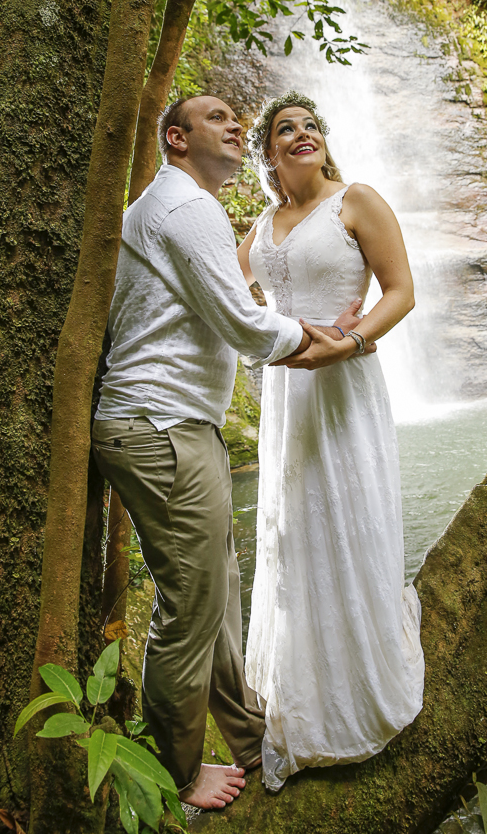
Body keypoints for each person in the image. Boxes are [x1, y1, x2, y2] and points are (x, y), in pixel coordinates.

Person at [92, 94, 362, 810]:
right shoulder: (186, 209)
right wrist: (330, 340)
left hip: (170, 425)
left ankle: (247, 737)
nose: (238, 125)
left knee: (213, 591)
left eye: (242, 119)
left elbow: (225, 301)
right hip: (161, 427)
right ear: (176, 139)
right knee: (191, 609)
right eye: (218, 118)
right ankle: (177, 777)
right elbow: (246, 325)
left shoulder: (177, 208)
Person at [237, 90, 425, 792]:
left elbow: (402, 291)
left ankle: (356, 694)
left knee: (345, 518)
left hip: (342, 384)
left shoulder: (356, 201)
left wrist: (350, 340)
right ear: (269, 154)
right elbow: (226, 290)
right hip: (287, 394)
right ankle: (302, 697)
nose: (302, 134)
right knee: (294, 533)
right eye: (286, 129)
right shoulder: (262, 226)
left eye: (311, 125)